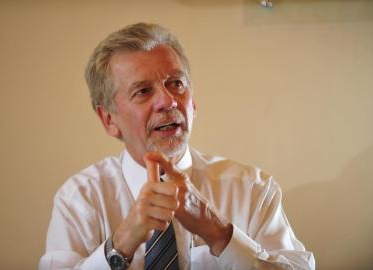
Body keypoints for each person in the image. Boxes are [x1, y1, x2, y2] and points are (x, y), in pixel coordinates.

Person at [39, 22, 315, 270]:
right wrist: (120, 244)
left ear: (193, 102)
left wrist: (218, 232)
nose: (168, 101)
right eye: (143, 91)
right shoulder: (80, 199)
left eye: (176, 84)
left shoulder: (253, 189)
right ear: (109, 119)